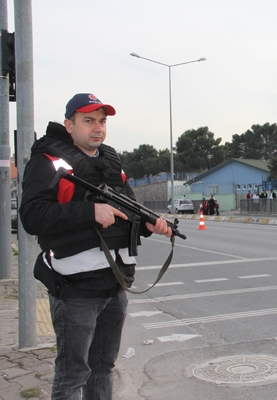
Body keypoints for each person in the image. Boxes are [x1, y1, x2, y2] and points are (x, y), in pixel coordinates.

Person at [19, 93, 172, 399]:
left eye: (102, 121)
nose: (98, 128)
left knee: (103, 369)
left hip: (114, 286)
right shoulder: (47, 161)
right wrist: (91, 211)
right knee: (72, 375)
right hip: (75, 289)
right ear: (69, 124)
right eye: (88, 120)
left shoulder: (112, 161)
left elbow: (128, 212)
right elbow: (32, 217)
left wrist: (149, 225)